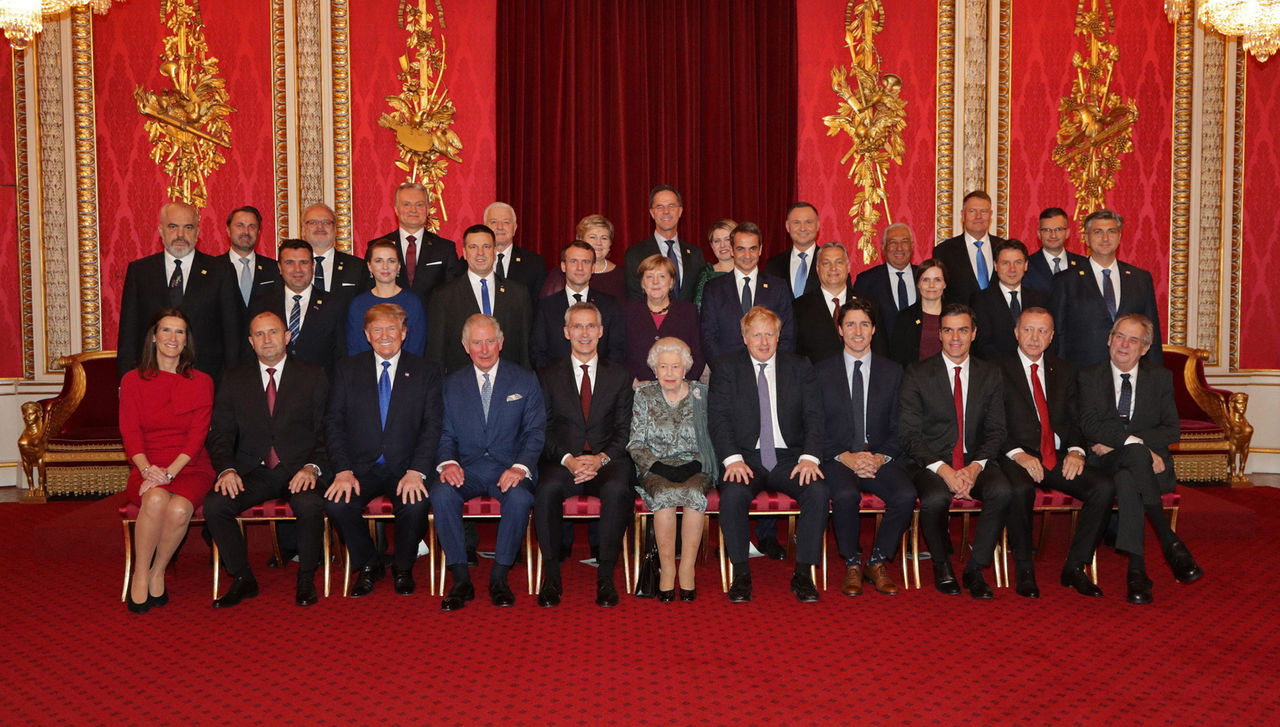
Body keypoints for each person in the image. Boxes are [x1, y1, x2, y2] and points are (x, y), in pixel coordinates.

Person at [204, 311, 331, 608]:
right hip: (254, 470)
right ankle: (242, 578)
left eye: (273, 332)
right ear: (251, 342)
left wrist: (312, 467)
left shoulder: (313, 374)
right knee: (216, 504)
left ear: (287, 337)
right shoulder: (235, 379)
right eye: (259, 334)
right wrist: (227, 469)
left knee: (310, 504)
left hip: (298, 468)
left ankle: (306, 578)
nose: (267, 339)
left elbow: (327, 430)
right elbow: (220, 433)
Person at [1078, 314, 1201, 604]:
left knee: (1128, 478)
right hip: (1104, 466)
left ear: (1145, 348)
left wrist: (1136, 448)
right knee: (1129, 464)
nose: (1124, 344)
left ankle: (1137, 571)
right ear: (1109, 339)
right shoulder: (1089, 376)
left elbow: (1172, 428)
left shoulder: (1160, 378)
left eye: (1133, 340)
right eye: (1119, 336)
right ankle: (1168, 541)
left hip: (1149, 466)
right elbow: (1089, 425)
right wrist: (1136, 447)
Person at [709, 307, 828, 603]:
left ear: (779, 336)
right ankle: (741, 575)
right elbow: (718, 419)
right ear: (745, 338)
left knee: (817, 491)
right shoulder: (726, 368)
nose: (764, 341)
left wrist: (810, 457)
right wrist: (731, 459)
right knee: (734, 495)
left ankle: (803, 574)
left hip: (790, 458)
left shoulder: (799, 366)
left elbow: (815, 415)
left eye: (769, 334)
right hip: (745, 458)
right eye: (757, 335)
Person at [994, 308, 1114, 599]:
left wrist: (1075, 451)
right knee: (1020, 490)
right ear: (1016, 332)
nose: (1034, 337)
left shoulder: (1065, 370)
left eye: (1042, 331)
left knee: (1103, 487)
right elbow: (991, 423)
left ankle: (1075, 567)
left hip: (1056, 454)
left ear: (1051, 337)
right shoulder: (995, 369)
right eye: (1028, 329)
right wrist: (1018, 454)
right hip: (1015, 454)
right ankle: (1024, 568)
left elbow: (1076, 419)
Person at [323, 303, 442, 598]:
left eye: (392, 328)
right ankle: (368, 563)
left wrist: (417, 470)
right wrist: (342, 470)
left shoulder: (426, 371)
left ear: (404, 333)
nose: (385, 335)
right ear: (366, 334)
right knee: (337, 503)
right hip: (360, 466)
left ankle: (403, 566)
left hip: (407, 466)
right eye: (377, 329)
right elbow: (333, 423)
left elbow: (432, 425)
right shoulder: (346, 369)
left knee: (415, 505)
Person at [431, 315, 546, 610]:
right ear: (465, 346)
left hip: (508, 466)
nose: (484, 350)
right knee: (441, 493)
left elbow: (535, 433)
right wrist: (447, 463)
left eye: (490, 341)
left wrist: (520, 467)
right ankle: (460, 580)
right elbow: (444, 433)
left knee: (520, 499)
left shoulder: (524, 379)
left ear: (501, 342)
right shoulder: (451, 384)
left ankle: (499, 578)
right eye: (477, 343)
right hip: (466, 466)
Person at [898, 303, 1011, 598]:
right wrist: (945, 471)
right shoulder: (917, 373)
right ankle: (941, 564)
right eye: (948, 330)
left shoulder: (990, 373)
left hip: (976, 461)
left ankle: (975, 568)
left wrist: (974, 468)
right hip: (931, 463)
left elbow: (997, 430)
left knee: (1002, 491)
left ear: (974, 334)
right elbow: (910, 434)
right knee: (935, 497)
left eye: (963, 330)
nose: (955, 337)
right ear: (940, 335)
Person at [534, 303, 634, 608]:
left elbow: (625, 429)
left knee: (618, 489)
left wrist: (601, 458)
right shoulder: (547, 375)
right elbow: (542, 427)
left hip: (607, 460)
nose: (585, 333)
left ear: (601, 332)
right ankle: (551, 576)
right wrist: (567, 458)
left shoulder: (619, 375)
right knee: (546, 489)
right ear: (566, 333)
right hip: (563, 460)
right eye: (577, 327)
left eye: (591, 326)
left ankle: (605, 576)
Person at [119, 308, 215, 612]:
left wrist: (169, 474)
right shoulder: (133, 380)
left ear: (187, 341)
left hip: (190, 466)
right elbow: (130, 432)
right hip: (145, 464)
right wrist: (149, 470)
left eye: (180, 332)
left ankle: (158, 570)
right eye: (166, 330)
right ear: (154, 337)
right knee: (157, 501)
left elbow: (197, 437)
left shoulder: (201, 381)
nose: (173, 338)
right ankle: (140, 573)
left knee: (178, 508)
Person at [817, 298, 914, 596]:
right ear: (839, 329)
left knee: (906, 495)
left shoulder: (894, 371)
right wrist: (844, 456)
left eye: (864, 324)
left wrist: (880, 457)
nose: (857, 331)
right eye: (850, 324)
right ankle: (852, 562)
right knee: (845, 495)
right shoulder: (820, 371)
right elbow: (813, 425)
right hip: (838, 457)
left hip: (879, 456)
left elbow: (902, 426)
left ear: (873, 330)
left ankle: (878, 559)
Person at [628, 337, 718, 601]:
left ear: (686, 368)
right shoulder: (643, 395)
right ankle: (668, 570)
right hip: (655, 468)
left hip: (696, 466)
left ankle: (687, 569)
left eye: (675, 367)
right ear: (654, 369)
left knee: (693, 496)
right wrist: (658, 467)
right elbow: (635, 443)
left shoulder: (702, 395)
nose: (669, 373)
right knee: (665, 497)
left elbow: (713, 440)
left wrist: (694, 464)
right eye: (663, 367)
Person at [117, 201, 242, 381]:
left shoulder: (220, 271)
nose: (180, 235)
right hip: (151, 379)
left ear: (197, 233)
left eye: (188, 227)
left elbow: (232, 335)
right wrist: (125, 382)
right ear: (161, 231)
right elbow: (128, 334)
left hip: (207, 380)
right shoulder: (140, 271)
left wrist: (231, 385)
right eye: (173, 227)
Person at [1050, 208, 1163, 367]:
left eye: (1111, 231)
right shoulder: (1066, 281)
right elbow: (1058, 336)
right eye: (1097, 232)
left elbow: (1152, 334)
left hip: (1130, 372)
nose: (1105, 238)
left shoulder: (1140, 279)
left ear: (1119, 237)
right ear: (1087, 239)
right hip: (1081, 375)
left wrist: (1155, 376)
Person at [426, 224, 531, 374]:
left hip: (509, 382)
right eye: (473, 247)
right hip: (461, 385)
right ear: (465, 252)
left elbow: (525, 349)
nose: (480, 253)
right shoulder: (443, 296)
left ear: (494, 251)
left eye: (486, 247)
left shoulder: (518, 293)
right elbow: (436, 353)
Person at [699, 222, 796, 365]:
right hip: (728, 375)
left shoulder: (778, 287)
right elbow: (708, 337)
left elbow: (788, 334)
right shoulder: (713, 289)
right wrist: (724, 370)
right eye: (740, 249)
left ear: (760, 250)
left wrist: (773, 368)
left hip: (770, 372)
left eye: (752, 249)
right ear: (732, 250)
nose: (747, 255)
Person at [247, 239, 347, 374]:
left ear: (312, 266)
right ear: (280, 268)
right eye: (289, 263)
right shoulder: (261, 304)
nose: (297, 269)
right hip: (274, 388)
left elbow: (341, 356)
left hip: (321, 389)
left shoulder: (335, 304)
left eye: (303, 262)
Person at [368, 182, 463, 311]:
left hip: (431, 326)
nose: (413, 210)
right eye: (406, 204)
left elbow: (453, 295)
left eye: (419, 204)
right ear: (396, 209)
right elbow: (368, 291)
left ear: (428, 209)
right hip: (390, 324)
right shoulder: (377, 247)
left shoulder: (445, 249)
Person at [530, 241, 625, 369]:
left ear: (593, 268)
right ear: (563, 266)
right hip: (556, 384)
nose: (580, 267)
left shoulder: (610, 305)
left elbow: (617, 350)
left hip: (602, 385)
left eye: (585, 262)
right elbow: (537, 352)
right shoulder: (546, 307)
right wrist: (554, 381)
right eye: (574, 261)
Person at [623, 255, 705, 383]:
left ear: (671, 282)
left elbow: (698, 355)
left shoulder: (688, 312)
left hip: (680, 390)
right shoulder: (627, 312)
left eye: (662, 276)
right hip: (637, 390)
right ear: (642, 283)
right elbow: (618, 355)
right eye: (649, 277)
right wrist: (632, 382)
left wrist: (683, 384)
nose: (655, 282)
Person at [795, 242, 877, 363]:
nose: (833, 268)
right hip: (815, 379)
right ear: (817, 269)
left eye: (839, 262)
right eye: (826, 263)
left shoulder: (869, 304)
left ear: (848, 267)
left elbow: (879, 351)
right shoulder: (799, 307)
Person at [624, 185, 707, 302]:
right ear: (652, 213)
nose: (666, 211)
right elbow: (635, 298)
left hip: (689, 319)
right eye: (659, 207)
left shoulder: (695, 254)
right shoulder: (635, 253)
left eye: (671, 206)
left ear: (680, 211)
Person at [346, 239, 428, 356]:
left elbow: (416, 348)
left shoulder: (413, 302)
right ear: (369, 266)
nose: (385, 267)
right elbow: (355, 348)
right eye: (379, 261)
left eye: (391, 261)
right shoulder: (358, 304)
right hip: (366, 371)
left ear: (399, 266)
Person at [970, 239, 1047, 360]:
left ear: (1026, 265)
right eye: (1006, 263)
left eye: (1018, 262)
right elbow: (982, 346)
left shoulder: (1040, 299)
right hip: (997, 371)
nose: (1012, 269)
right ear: (996, 265)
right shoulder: (981, 300)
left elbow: (1047, 339)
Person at [932, 190, 1005, 304]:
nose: (978, 216)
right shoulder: (943, 251)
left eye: (984, 211)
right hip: (959, 319)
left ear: (990, 215)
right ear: (963, 214)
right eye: (972, 211)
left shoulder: (1004, 248)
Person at [852, 223, 917, 344]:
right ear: (883, 247)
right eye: (893, 242)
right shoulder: (866, 281)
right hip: (881, 358)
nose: (899, 248)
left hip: (920, 358)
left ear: (912, 246)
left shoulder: (925, 277)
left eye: (904, 241)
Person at [541, 214, 626, 300]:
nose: (598, 243)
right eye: (592, 237)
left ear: (610, 243)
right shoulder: (561, 273)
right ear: (580, 240)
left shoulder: (623, 275)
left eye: (604, 238)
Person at [300, 202, 367, 302]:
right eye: (313, 222)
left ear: (335, 229)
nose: (320, 227)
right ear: (303, 230)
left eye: (326, 222)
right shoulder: (290, 268)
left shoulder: (358, 267)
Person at [889, 258, 947, 366]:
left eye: (937, 280)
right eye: (925, 280)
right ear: (918, 284)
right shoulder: (905, 317)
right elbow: (898, 359)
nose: (931, 285)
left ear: (945, 284)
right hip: (916, 380)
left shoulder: (956, 315)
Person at [485, 202, 546, 305]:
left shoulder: (534, 263)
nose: (500, 227)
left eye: (506, 222)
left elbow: (539, 306)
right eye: (494, 222)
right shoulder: (471, 262)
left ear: (515, 228)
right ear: (485, 228)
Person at [220, 205, 278, 310]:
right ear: (228, 231)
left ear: (258, 232)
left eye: (252, 227)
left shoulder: (274, 268)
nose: (246, 232)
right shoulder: (213, 268)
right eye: (240, 225)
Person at [1023, 207, 1086, 295]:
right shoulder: (1026, 266)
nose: (1053, 235)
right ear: (1039, 234)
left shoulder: (1083, 264)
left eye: (1058, 229)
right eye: (1047, 230)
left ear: (1067, 233)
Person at [765, 202, 822, 298]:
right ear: (787, 226)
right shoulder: (773, 265)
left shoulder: (831, 263)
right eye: (796, 222)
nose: (803, 228)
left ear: (817, 225)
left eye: (808, 222)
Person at [694, 218, 737, 308]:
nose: (722, 245)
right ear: (712, 246)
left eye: (727, 239)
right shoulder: (706, 274)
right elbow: (699, 311)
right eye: (717, 241)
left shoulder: (748, 272)